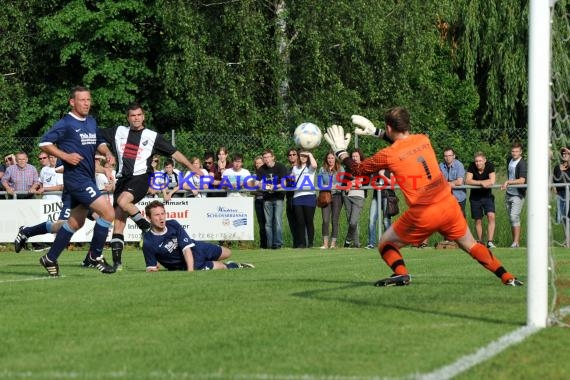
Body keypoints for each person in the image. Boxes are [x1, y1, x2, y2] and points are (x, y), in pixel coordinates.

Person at [323, 107, 522, 286]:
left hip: (424, 212)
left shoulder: (389, 154)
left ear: (389, 128)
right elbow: (405, 144)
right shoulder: (424, 140)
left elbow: (358, 170)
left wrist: (341, 151)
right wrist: (377, 132)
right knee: (471, 245)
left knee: (386, 244)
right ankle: (508, 277)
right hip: (448, 205)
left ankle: (401, 273)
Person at [96, 103, 196, 270]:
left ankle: (146, 227)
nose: (136, 118)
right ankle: (117, 264)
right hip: (122, 179)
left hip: (142, 178)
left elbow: (174, 153)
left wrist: (192, 168)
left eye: (139, 115)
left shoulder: (152, 136)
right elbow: (98, 139)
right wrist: (107, 152)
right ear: (128, 118)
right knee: (119, 221)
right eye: (132, 115)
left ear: (143, 117)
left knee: (122, 201)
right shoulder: (118, 131)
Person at [33, 86, 117, 276]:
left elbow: (99, 142)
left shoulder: (91, 121)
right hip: (76, 179)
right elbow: (44, 143)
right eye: (82, 100)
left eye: (88, 100)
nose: (87, 103)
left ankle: (50, 258)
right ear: (72, 102)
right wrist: (65, 156)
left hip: (87, 178)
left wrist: (107, 153)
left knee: (74, 223)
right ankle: (95, 256)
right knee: (108, 212)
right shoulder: (66, 123)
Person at [142, 200, 254, 271]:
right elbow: (151, 268)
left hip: (196, 248)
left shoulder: (173, 224)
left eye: (163, 213)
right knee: (221, 267)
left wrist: (190, 273)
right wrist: (191, 271)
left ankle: (225, 262)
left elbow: (186, 249)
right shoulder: (148, 242)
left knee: (228, 252)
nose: (161, 217)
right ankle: (235, 266)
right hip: (188, 264)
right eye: (157, 215)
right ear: (148, 218)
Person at [256, 149, 289, 249]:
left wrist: (274, 187)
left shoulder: (281, 167)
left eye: (268, 157)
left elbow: (284, 183)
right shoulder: (261, 169)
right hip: (267, 198)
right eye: (264, 157)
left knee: (277, 221)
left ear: (273, 157)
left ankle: (278, 244)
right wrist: (265, 186)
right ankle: (270, 245)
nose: (266, 159)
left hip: (278, 197)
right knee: (268, 223)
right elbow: (257, 183)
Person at [465, 151, 497, 248]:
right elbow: (468, 180)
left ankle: (490, 242)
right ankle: (480, 241)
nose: (478, 163)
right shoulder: (471, 166)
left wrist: (485, 182)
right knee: (478, 220)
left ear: (484, 161)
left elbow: (492, 180)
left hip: (487, 196)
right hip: (475, 197)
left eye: (480, 161)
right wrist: (481, 183)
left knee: (491, 216)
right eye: (476, 161)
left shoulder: (490, 166)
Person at [500, 142, 527, 248]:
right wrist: (507, 185)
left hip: (518, 194)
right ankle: (515, 242)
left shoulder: (522, 163)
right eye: (513, 151)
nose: (514, 153)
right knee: (511, 218)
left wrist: (508, 182)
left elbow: (522, 180)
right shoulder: (509, 160)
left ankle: (515, 242)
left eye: (517, 151)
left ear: (520, 152)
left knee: (514, 216)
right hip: (509, 193)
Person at [291, 150, 318, 248]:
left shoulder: (310, 168)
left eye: (305, 156)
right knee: (300, 222)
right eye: (301, 156)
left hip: (309, 196)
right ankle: (302, 243)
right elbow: (292, 179)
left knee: (309, 221)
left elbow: (314, 165)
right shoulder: (294, 168)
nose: (303, 157)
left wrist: (310, 154)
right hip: (297, 196)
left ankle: (310, 243)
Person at [318, 151, 343, 249]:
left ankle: (333, 243)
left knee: (334, 220)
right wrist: (325, 186)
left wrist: (336, 186)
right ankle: (325, 243)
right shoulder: (322, 169)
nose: (330, 160)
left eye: (332, 158)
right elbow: (319, 183)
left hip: (337, 196)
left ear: (335, 159)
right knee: (325, 220)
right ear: (326, 159)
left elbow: (342, 183)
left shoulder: (340, 169)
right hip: (325, 195)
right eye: (328, 158)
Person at [366, 169, 396, 249]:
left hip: (387, 197)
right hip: (376, 197)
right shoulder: (375, 171)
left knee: (386, 221)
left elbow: (392, 183)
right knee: (371, 220)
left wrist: (382, 175)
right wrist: (374, 183)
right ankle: (371, 243)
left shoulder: (390, 171)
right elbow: (371, 183)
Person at [342, 149, 366, 248]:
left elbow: (365, 182)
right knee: (350, 220)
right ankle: (356, 244)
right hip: (347, 196)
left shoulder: (365, 168)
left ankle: (347, 241)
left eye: (356, 156)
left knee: (353, 221)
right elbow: (344, 182)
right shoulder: (348, 169)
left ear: (360, 157)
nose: (354, 158)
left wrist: (351, 182)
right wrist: (354, 181)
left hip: (358, 196)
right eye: (353, 157)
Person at [439, 148, 467, 216]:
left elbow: (459, 182)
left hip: (458, 197)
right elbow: (439, 180)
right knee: (447, 218)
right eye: (446, 156)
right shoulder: (441, 166)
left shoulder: (459, 165)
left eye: (450, 155)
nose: (447, 158)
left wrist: (447, 184)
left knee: (461, 218)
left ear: (454, 156)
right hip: (445, 197)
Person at [553, 147, 570, 236]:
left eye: (566, 153)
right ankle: (567, 239)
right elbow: (553, 180)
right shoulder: (557, 167)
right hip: (560, 194)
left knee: (568, 216)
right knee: (563, 218)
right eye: (563, 153)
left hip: (569, 193)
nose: (564, 155)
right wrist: (555, 190)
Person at [285, 148, 299, 247]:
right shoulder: (286, 169)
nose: (292, 156)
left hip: (299, 198)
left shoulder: (301, 167)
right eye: (290, 155)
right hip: (289, 198)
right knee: (292, 223)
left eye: (294, 154)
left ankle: (304, 243)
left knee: (301, 222)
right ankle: (296, 244)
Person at [253, 156, 268, 248]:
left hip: (267, 199)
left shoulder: (268, 174)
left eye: (260, 163)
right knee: (261, 224)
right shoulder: (254, 176)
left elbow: (270, 186)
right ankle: (263, 245)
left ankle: (271, 243)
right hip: (258, 200)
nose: (258, 165)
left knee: (269, 223)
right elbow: (251, 190)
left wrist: (261, 186)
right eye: (256, 163)